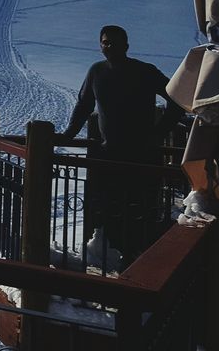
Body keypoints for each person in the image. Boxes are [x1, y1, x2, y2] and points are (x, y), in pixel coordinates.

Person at [58, 25, 186, 260]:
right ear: (100, 45)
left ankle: (142, 264)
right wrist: (68, 135)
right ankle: (115, 260)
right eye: (105, 42)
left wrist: (159, 133)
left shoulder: (145, 71)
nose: (109, 46)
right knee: (110, 210)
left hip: (144, 157)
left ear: (126, 46)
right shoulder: (96, 72)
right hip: (110, 156)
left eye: (114, 42)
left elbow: (177, 100)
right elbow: (84, 105)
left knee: (142, 211)